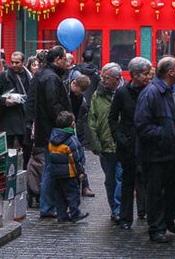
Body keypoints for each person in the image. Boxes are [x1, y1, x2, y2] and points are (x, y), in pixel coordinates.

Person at [135, 56, 175, 244]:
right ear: (170, 72)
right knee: (156, 193)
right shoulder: (151, 93)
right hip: (158, 154)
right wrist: (164, 134)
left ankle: (169, 220)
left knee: (174, 191)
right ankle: (157, 228)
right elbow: (142, 125)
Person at [108, 56, 152, 229]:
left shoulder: (151, 91)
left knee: (147, 180)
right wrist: (120, 137)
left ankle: (145, 211)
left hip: (147, 143)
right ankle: (126, 218)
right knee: (127, 182)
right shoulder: (122, 93)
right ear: (134, 74)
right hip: (128, 145)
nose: (148, 77)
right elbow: (112, 118)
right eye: (144, 74)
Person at [29, 45, 72, 218]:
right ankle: (47, 206)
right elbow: (53, 104)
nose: (66, 63)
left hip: (46, 129)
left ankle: (49, 205)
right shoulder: (51, 78)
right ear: (57, 60)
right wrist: (65, 122)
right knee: (51, 168)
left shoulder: (45, 75)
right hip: (52, 130)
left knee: (50, 167)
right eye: (64, 60)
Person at [88, 62, 123, 222]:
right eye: (103, 77)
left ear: (117, 78)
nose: (103, 80)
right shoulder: (98, 95)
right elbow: (92, 121)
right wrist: (96, 144)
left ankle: (119, 208)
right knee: (110, 179)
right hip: (105, 145)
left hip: (123, 144)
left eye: (107, 78)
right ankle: (114, 207)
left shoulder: (126, 93)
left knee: (120, 177)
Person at [46, 110, 88, 223]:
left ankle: (62, 215)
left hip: (56, 173)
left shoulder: (52, 139)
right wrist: (80, 172)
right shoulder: (72, 140)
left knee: (59, 195)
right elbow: (76, 159)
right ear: (72, 124)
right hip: (69, 173)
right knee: (73, 194)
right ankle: (75, 213)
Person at [0, 51, 31, 155]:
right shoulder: (4, 76)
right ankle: (10, 170)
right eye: (12, 62)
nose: (14, 65)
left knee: (27, 148)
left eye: (17, 62)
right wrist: (4, 101)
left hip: (25, 117)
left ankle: (26, 168)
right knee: (9, 150)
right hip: (9, 118)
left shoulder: (29, 76)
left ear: (23, 62)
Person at [67, 74, 95, 198]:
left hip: (76, 130)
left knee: (80, 158)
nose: (79, 93)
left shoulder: (79, 97)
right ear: (74, 84)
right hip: (67, 128)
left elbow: (80, 117)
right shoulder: (65, 91)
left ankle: (84, 185)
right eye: (79, 90)